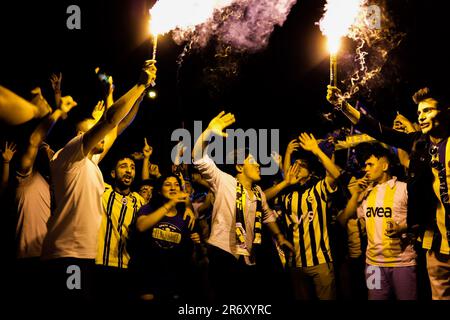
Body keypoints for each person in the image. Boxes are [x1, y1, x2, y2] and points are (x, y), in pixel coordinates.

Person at [41, 60, 157, 302]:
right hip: (66, 256)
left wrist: (142, 92)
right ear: (81, 135)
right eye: (94, 129)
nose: (101, 133)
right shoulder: (71, 153)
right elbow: (110, 121)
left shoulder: (91, 162)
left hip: (83, 256)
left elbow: (121, 123)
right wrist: (138, 84)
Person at [327, 85, 450, 299]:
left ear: (445, 112)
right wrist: (342, 105)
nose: (421, 116)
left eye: (427, 110)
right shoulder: (418, 144)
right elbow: (376, 129)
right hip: (437, 242)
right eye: (419, 112)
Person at [192, 111, 293, 302]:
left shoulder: (258, 193)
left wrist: (279, 237)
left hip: (248, 255)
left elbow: (267, 215)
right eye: (252, 162)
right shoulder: (223, 181)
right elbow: (198, 157)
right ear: (239, 167)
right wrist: (208, 132)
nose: (258, 166)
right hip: (222, 252)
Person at [264, 133, 341, 300]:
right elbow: (260, 198)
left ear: (311, 172)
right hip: (295, 264)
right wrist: (288, 155)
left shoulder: (318, 189)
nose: (296, 167)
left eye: (302, 165)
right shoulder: (287, 195)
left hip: (320, 261)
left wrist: (316, 150)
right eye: (294, 164)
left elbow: (336, 175)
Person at [337, 145, 417, 300]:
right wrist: (356, 194)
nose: (365, 169)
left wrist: (402, 227)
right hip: (373, 265)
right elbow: (343, 219)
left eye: (370, 164)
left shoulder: (404, 189)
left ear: (385, 166)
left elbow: (421, 219)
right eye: (365, 165)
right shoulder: (367, 194)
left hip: (402, 263)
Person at [129, 174, 197, 302]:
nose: (173, 188)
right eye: (167, 184)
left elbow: (187, 252)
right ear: (159, 191)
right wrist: (170, 204)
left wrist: (195, 239)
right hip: (148, 277)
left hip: (174, 281)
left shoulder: (186, 215)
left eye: (176, 185)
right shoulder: (149, 209)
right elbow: (141, 226)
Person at [94, 155, 145, 302]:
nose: (129, 171)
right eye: (123, 166)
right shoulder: (102, 191)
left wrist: (187, 204)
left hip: (128, 267)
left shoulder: (139, 201)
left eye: (132, 167)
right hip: (100, 264)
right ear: (113, 173)